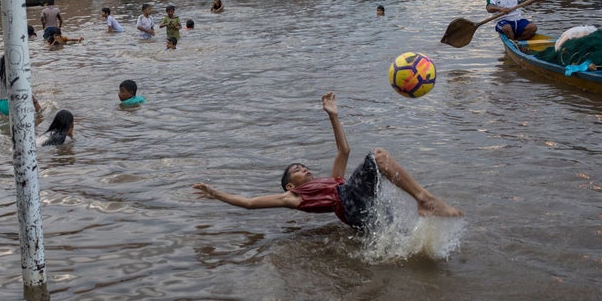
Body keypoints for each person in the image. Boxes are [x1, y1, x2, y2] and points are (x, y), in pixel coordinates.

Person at [193, 91, 462, 230]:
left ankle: (427, 232)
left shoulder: (333, 180)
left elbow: (344, 151)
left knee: (398, 236)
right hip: (350, 205)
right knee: (378, 156)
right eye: (297, 170)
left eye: (303, 165)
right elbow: (250, 204)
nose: (304, 168)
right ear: (289, 186)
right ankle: (424, 199)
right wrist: (215, 193)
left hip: (360, 213)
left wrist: (332, 114)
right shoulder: (293, 198)